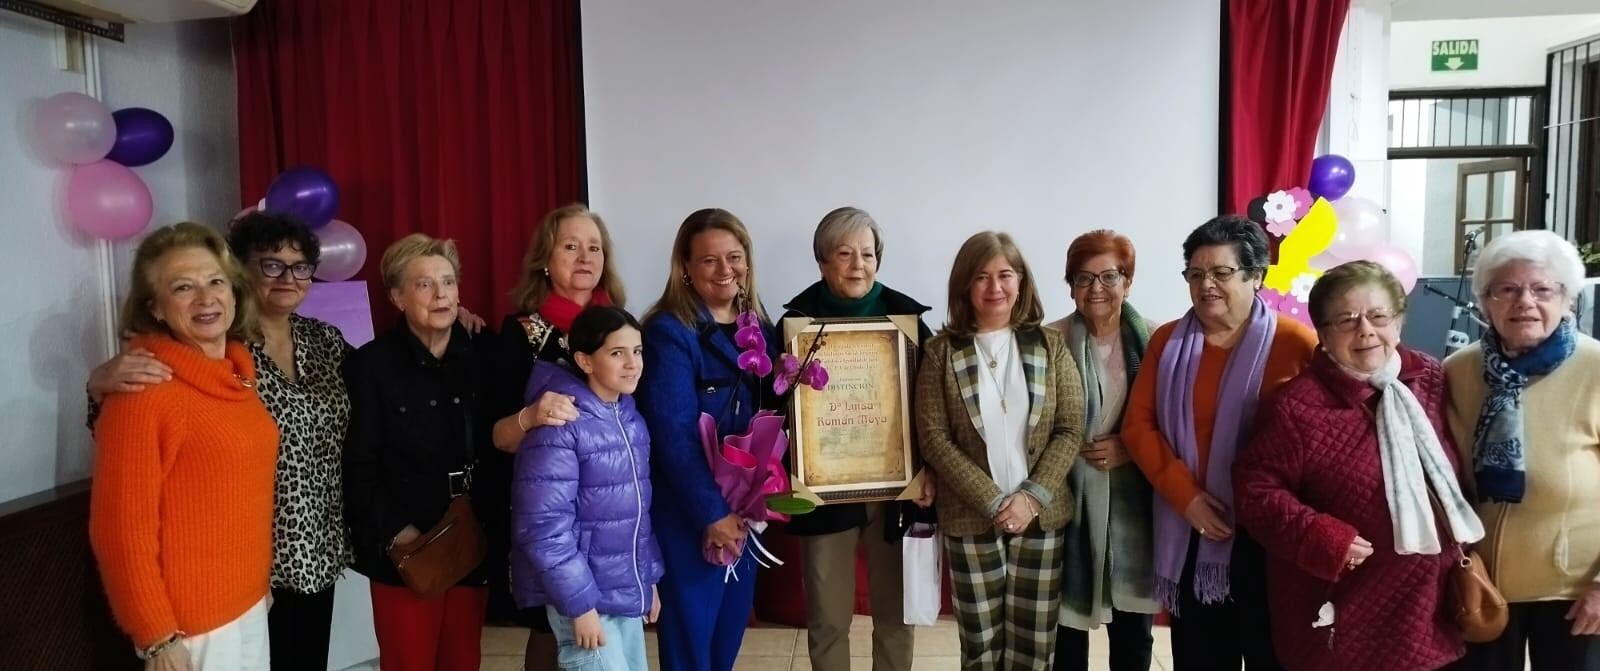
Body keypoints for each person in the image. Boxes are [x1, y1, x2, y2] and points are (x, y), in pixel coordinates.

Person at [87, 212, 352, 670]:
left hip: (280, 569)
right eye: (183, 287)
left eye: (215, 282)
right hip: (198, 613)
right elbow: (121, 528)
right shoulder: (157, 377)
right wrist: (156, 635)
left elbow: (384, 384)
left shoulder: (246, 368)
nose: (206, 297)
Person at [1234, 261, 1481, 671]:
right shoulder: (1295, 406)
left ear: (1398, 321)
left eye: (1378, 316)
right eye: (1347, 320)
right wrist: (1321, 536)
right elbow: (1254, 492)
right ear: (1325, 334)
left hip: (1432, 607)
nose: (1365, 330)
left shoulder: (1430, 379)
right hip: (1345, 615)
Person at [1121, 214, 1317, 670]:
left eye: (1222, 273)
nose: (1206, 284)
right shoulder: (1168, 341)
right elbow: (1138, 426)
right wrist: (1185, 498)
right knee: (1202, 657)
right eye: (1195, 273)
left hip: (1272, 537)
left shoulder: (1297, 344)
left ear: (1256, 276)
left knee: (1273, 655)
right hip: (1194, 528)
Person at [914, 230, 1086, 669]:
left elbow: (1069, 428)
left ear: (1021, 282)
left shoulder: (1050, 345)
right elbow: (934, 437)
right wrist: (994, 502)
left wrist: (1030, 498)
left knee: (1035, 646)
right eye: (982, 277)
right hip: (971, 516)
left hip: (1041, 518)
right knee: (980, 646)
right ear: (964, 287)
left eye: (1005, 275)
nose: (995, 288)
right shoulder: (940, 352)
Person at [778, 206, 936, 671]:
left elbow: (930, 403)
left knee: (895, 615)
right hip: (825, 492)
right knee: (828, 618)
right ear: (822, 262)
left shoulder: (906, 319)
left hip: (896, 491)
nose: (858, 266)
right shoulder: (795, 327)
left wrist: (927, 468)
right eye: (844, 254)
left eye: (867, 254)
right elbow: (777, 405)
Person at [1443, 231, 1600, 671]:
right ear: (1486, 302)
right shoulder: (1458, 371)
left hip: (1575, 590)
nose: (1524, 302)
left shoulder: (1596, 368)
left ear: (1567, 299)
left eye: (1542, 289)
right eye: (1507, 289)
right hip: (1482, 581)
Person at [481, 203, 628, 671]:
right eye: (570, 246)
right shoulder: (521, 335)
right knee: (552, 627)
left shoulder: (623, 330)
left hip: (612, 515)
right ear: (546, 258)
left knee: (609, 634)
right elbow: (498, 437)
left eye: (594, 248)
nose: (585, 257)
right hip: (555, 516)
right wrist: (530, 417)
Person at [635, 208, 779, 671]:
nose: (725, 270)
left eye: (734, 257)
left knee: (725, 641)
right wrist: (712, 513)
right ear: (685, 267)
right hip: (692, 515)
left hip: (745, 514)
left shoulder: (758, 327)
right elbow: (673, 435)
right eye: (709, 260)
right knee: (690, 645)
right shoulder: (668, 332)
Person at [343, 234, 495, 671]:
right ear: (397, 296)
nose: (441, 293)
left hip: (469, 538)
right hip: (407, 545)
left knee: (462, 660)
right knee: (409, 662)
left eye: (448, 282)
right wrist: (396, 532)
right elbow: (357, 465)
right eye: (425, 284)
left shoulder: (483, 352)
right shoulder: (370, 366)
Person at [512, 305, 663, 671]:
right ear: (585, 360)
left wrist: (648, 579)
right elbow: (543, 527)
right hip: (584, 600)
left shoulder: (629, 417)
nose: (633, 363)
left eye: (637, 351)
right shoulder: (562, 423)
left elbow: (637, 513)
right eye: (617, 353)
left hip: (623, 591)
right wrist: (579, 605)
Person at [1046, 230, 1159, 671]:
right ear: (1070, 285)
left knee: (1133, 637)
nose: (1096, 289)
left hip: (1135, 511)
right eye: (1083, 278)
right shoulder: (1048, 341)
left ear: (1128, 281)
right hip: (1067, 502)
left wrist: (1132, 447)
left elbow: (1171, 421)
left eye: (1109, 276)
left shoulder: (1156, 341)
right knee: (1065, 638)